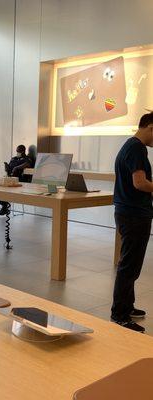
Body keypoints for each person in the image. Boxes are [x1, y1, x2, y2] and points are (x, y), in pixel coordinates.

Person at [111, 112, 153, 332]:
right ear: (150, 127)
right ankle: (119, 314)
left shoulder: (129, 146)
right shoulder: (136, 148)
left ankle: (127, 306)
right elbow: (140, 183)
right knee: (129, 265)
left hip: (129, 212)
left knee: (131, 263)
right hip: (134, 214)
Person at [0, 144, 32, 215]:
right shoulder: (14, 158)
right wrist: (7, 167)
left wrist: (17, 168)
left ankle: (4, 208)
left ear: (23, 151)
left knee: (4, 189)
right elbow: (9, 169)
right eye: (17, 151)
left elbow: (28, 164)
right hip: (9, 178)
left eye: (19, 151)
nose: (17, 152)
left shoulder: (27, 159)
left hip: (19, 180)